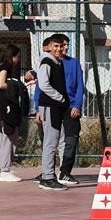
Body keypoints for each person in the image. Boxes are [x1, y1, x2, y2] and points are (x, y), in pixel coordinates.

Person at [33, 34, 70, 191]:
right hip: (49, 106)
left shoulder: (57, 62)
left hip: (55, 107)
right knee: (50, 142)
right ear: (49, 47)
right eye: (55, 46)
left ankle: (48, 175)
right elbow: (44, 84)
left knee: (54, 141)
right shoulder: (47, 62)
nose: (59, 49)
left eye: (61, 46)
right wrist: (60, 98)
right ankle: (47, 177)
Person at [0, 45, 29, 182]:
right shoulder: (5, 67)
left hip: (2, 109)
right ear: (12, 56)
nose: (18, 60)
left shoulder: (0, 66)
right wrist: (17, 87)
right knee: (9, 139)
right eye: (17, 57)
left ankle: (0, 169)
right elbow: (1, 84)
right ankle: (4, 170)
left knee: (3, 140)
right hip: (6, 109)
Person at [56, 42, 86, 186]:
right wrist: (38, 109)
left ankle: (65, 172)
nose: (65, 47)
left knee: (71, 141)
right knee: (50, 142)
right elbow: (41, 85)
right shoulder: (49, 62)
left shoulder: (73, 63)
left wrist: (77, 105)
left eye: (67, 45)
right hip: (53, 107)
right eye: (62, 45)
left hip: (70, 108)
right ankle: (46, 172)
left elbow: (80, 86)